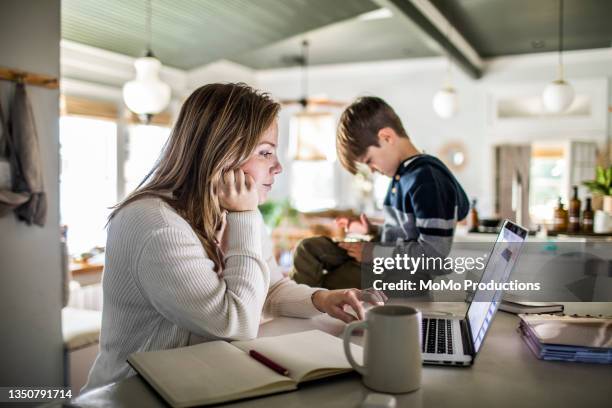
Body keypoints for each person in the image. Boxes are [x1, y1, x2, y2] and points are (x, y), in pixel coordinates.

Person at [83, 83, 374, 392]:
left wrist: (321, 299)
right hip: (133, 394)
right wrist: (245, 216)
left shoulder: (233, 211)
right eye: (265, 153)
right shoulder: (156, 223)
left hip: (192, 382)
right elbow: (233, 323)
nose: (278, 167)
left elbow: (271, 289)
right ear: (222, 154)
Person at [291, 96, 469, 290]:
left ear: (387, 137)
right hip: (383, 259)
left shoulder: (428, 180)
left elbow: (433, 254)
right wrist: (373, 231)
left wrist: (375, 253)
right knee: (307, 249)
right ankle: (300, 302)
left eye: (369, 161)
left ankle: (305, 308)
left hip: (403, 277)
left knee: (329, 283)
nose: (373, 170)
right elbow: (404, 235)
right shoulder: (403, 176)